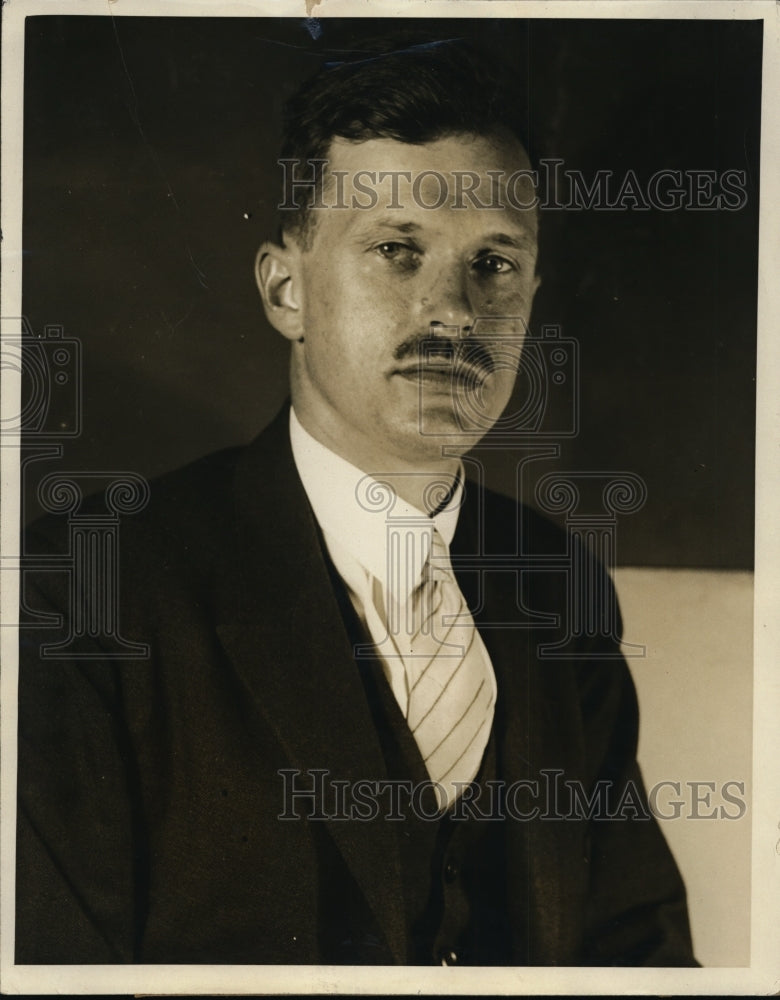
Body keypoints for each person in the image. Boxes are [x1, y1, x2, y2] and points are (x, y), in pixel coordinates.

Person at [16, 37, 697, 966]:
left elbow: (642, 960)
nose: (454, 310)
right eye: (396, 250)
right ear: (285, 290)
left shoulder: (557, 581)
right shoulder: (88, 585)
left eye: (495, 263)